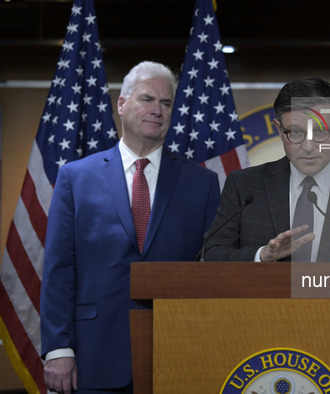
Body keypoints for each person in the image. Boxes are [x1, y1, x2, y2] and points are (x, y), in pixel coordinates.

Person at [40, 61, 221, 393]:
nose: (157, 110)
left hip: (178, 355)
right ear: (121, 105)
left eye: (166, 104)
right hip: (92, 356)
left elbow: (214, 267)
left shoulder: (203, 183)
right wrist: (58, 348)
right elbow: (59, 269)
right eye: (147, 99)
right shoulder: (76, 178)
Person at [204, 77, 330, 262]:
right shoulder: (244, 186)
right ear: (279, 129)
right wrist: (261, 256)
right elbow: (212, 254)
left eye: (320, 131)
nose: (309, 146)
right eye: (297, 132)